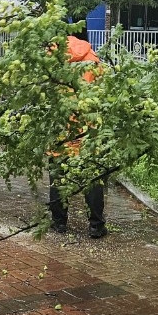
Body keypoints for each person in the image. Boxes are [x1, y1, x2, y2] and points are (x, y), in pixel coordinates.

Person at [49, 29, 107, 238]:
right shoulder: (91, 58)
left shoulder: (51, 58)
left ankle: (59, 223)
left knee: (58, 177)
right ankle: (96, 226)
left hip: (61, 129)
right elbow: (104, 91)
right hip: (87, 129)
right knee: (92, 178)